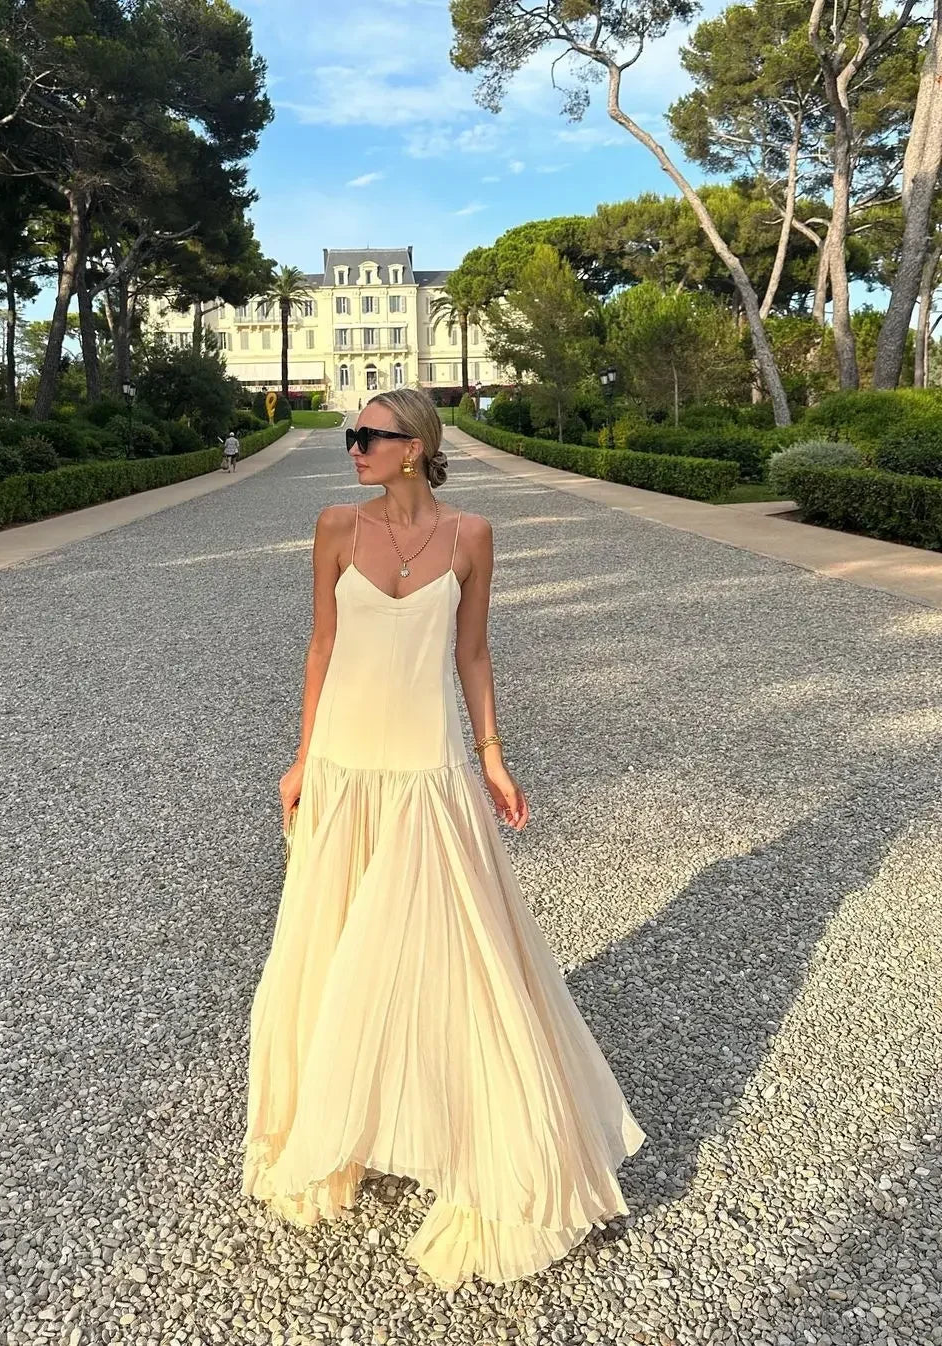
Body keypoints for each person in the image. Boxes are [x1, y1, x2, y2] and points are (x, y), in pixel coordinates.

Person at [240, 386, 646, 1290]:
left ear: (416, 447)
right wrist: (301, 760)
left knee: (455, 958)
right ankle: (332, 1129)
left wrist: (494, 758)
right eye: (352, 437)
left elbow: (473, 653)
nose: (355, 448)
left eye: (371, 437)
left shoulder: (472, 537)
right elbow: (321, 647)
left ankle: (473, 1133)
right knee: (333, 950)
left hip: (430, 770)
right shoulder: (335, 526)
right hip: (346, 768)